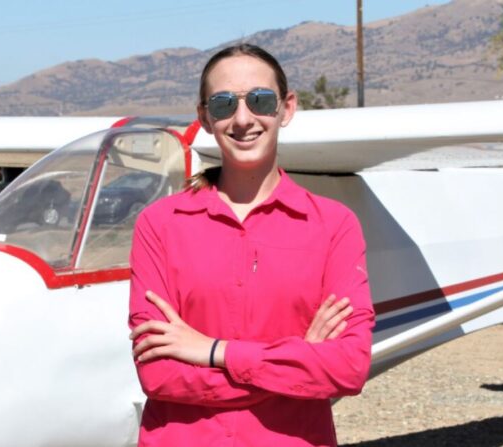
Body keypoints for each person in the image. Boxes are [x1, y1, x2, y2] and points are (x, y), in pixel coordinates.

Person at [128, 43, 375, 446]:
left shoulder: (334, 225)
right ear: (205, 118)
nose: (243, 119)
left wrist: (213, 351)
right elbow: (159, 374)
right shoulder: (160, 224)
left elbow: (348, 367)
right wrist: (297, 360)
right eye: (224, 104)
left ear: (286, 108)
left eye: (260, 101)